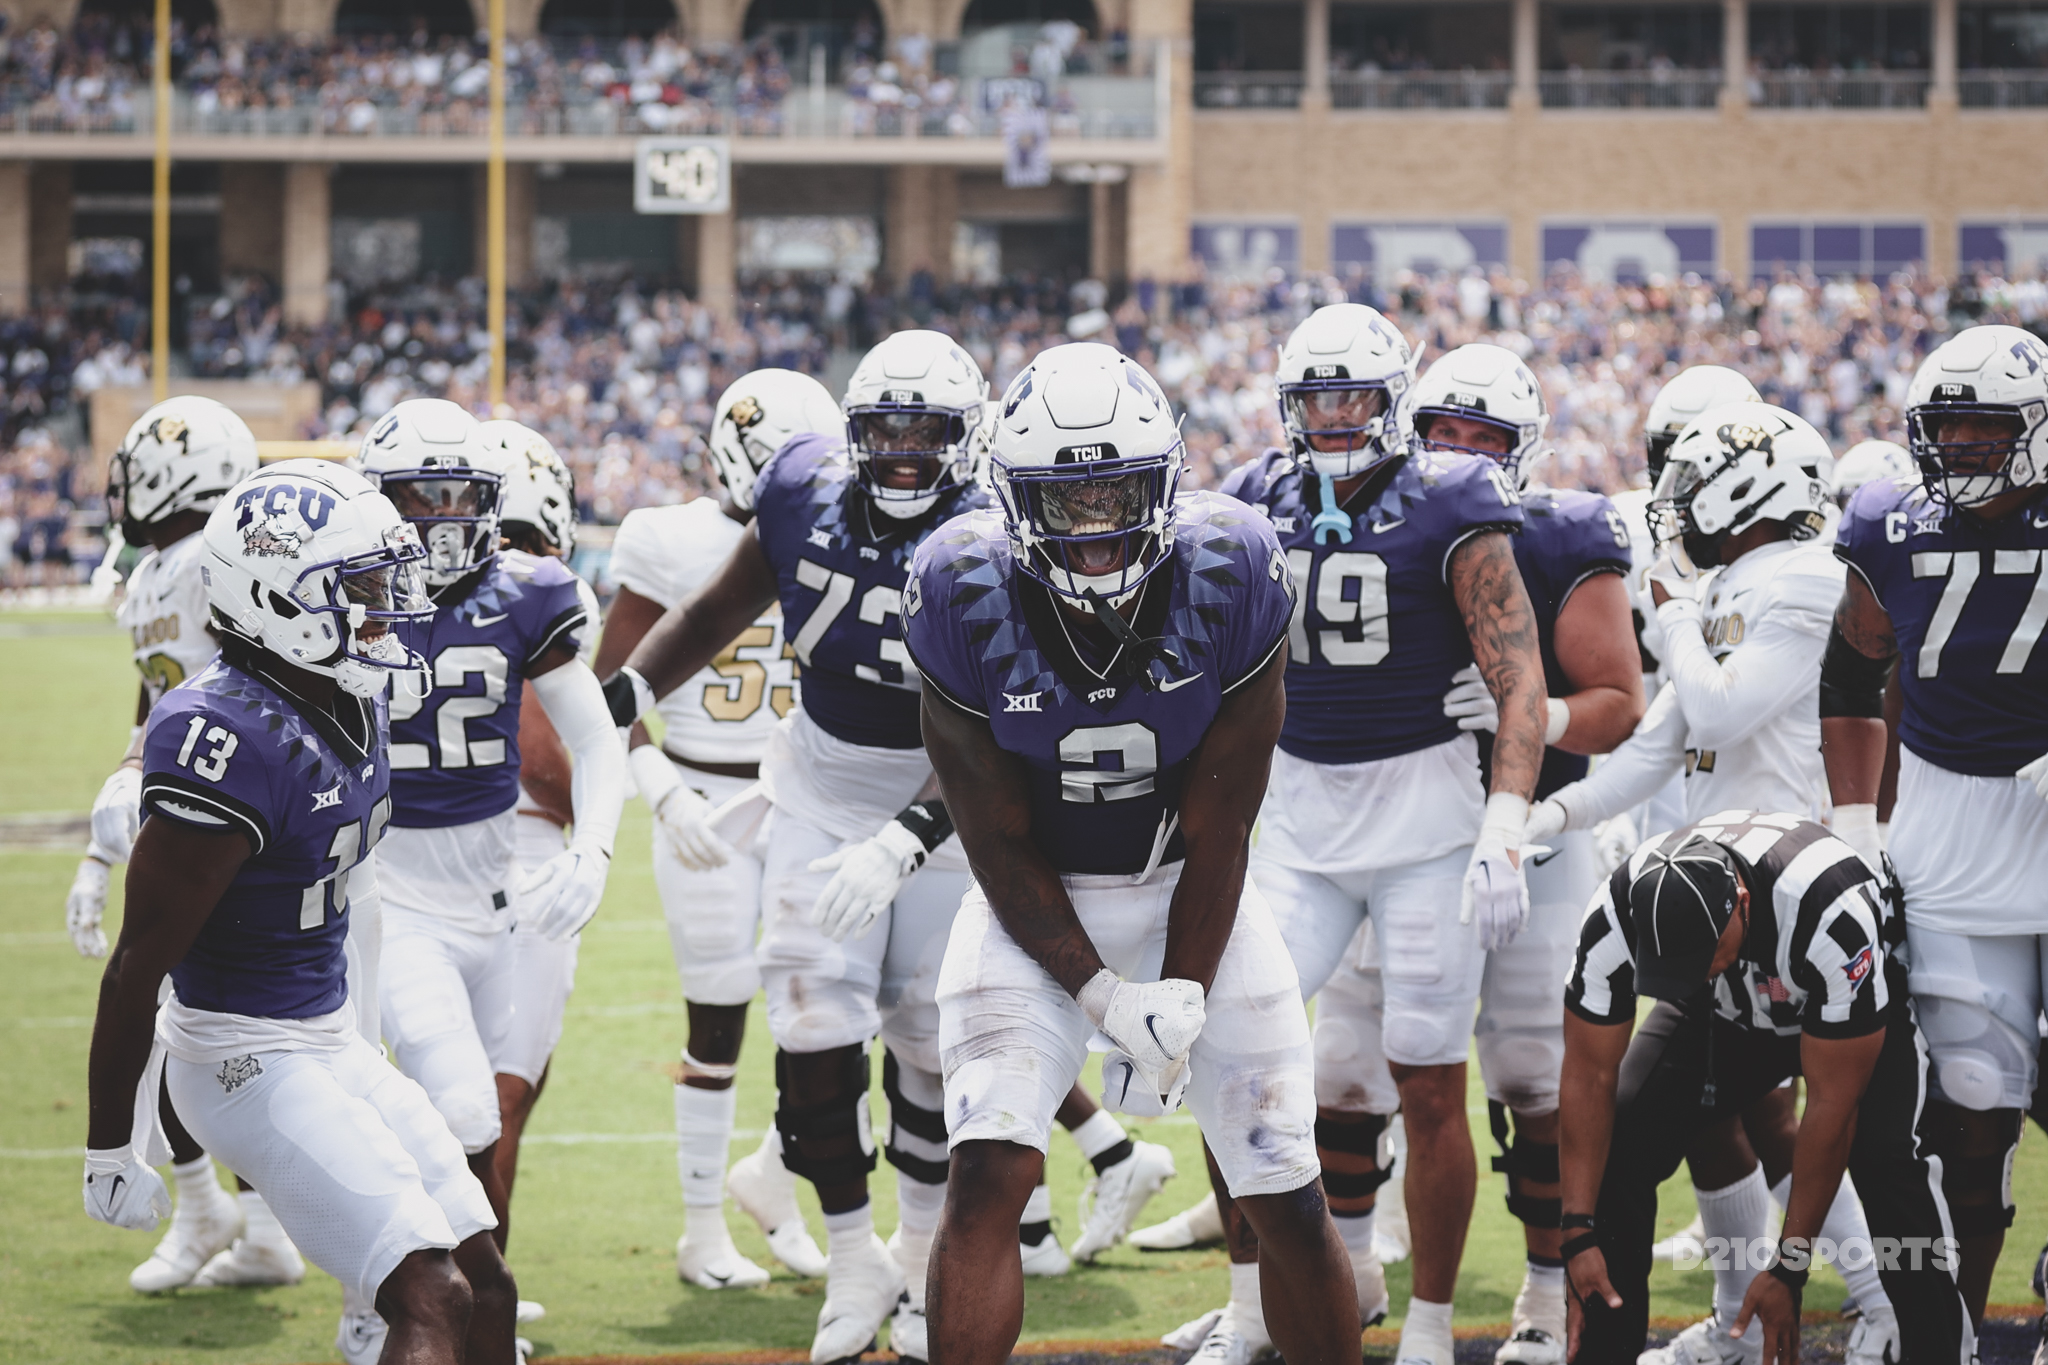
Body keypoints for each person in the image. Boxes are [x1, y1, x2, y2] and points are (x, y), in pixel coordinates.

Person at [905, 341, 1359, 1365]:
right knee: (983, 1173)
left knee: (1281, 1184)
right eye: (1066, 500)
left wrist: (1181, 996)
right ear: (1013, 497)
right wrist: (1108, 1001)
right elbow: (993, 835)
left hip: (1187, 889)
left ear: (1163, 482)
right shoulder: (954, 587)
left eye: (1116, 493)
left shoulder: (1234, 565)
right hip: (1033, 903)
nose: (1097, 526)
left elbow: (1222, 820)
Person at [604, 331, 999, 1365]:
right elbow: (718, 606)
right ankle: (850, 1254)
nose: (904, 453)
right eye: (884, 430)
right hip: (821, 786)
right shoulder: (799, 490)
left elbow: (1001, 722)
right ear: (850, 434)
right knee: (813, 1021)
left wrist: (912, 835)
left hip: (952, 797)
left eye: (928, 432)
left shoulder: (993, 537)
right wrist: (631, 692)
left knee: (926, 1042)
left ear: (968, 439)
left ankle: (916, 1258)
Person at [82, 458, 520, 1365]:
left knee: (490, 1282)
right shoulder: (227, 737)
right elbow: (135, 969)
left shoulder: (346, 694)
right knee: (430, 1294)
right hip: (243, 1058)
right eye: (361, 588)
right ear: (277, 599)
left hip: (328, 1038)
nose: (389, 607)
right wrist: (110, 1145)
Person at [1198, 303, 1549, 1365]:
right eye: (1316, 398)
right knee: (1228, 1053)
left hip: (1424, 829)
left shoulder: (1449, 497)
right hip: (1298, 826)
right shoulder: (1254, 497)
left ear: (1396, 402)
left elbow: (1516, 675)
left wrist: (1503, 818)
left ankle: (1431, 1329)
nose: (1336, 416)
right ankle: (1254, 1307)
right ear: (1284, 407)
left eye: (1355, 395)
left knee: (1429, 1081)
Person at [1524, 401, 1907, 1363]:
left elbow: (1723, 710)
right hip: (1709, 893)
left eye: (1690, 483)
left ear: (1751, 486)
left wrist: (1680, 616)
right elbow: (1663, 744)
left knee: (1858, 1121)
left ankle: (1884, 1305)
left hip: (1804, 896)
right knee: (1657, 1129)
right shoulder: (1732, 582)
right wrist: (1550, 815)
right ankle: (1720, 1318)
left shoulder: (1811, 579)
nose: (1674, 505)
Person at [352, 398, 625, 1355]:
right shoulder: (343, 597)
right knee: (461, 1105)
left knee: (493, 1102)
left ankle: (416, 1295)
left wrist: (592, 848)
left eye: (455, 497)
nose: (435, 520)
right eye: (414, 499)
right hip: (395, 902)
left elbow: (597, 741)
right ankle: (441, 1298)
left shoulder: (528, 590)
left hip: (503, 898)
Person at [1400, 345, 1644, 1363]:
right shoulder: (1372, 532)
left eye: (1481, 439)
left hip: (1535, 843)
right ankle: (1341, 1278)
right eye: (1439, 435)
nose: (1457, 455)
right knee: (1363, 1069)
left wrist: (1530, 712)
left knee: (1531, 1075)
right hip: (1405, 841)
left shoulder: (1557, 538)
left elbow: (1619, 706)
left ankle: (1546, 1289)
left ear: (1522, 450)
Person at [1557, 812, 1970, 1365]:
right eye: (1673, 963)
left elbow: (1832, 1107)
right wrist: (1577, 1232)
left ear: (1742, 904)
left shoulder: (1829, 910)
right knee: (1623, 1138)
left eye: (1699, 954)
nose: (1691, 969)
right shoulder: (1616, 912)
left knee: (1887, 1158)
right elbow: (1589, 1075)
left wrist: (1788, 1267)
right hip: (1725, 1010)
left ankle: (1940, 1352)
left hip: (1849, 1009)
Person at [1823, 323, 2048, 1327]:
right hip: (1949, 833)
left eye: (1979, 426)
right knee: (1966, 1109)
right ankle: (1947, 1329)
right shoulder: (1886, 522)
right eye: (1942, 426)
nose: (1955, 445)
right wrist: (1849, 826)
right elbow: (1848, 670)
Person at [596, 369, 840, 1289]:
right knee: (718, 1014)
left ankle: (775, 1177)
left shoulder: (838, 527)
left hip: (810, 797)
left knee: (831, 1007)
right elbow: (608, 688)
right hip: (702, 795)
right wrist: (658, 785)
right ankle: (702, 1229)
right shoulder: (668, 537)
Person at [67, 396, 309, 1294]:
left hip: (246, 821)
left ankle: (251, 1218)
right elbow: (159, 697)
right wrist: (106, 836)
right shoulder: (157, 572)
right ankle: (230, 1216)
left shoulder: (225, 562)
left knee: (241, 1022)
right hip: (190, 810)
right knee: (198, 1019)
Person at [474, 419, 606, 1331]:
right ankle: (466, 1307)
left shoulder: (409, 590)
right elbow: (548, 764)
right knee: (497, 1098)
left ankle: (419, 1297)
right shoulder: (540, 593)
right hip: (505, 859)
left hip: (400, 862)